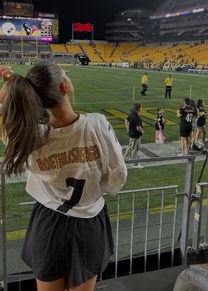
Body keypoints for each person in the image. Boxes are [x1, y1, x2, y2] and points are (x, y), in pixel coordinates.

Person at [0, 62, 127, 291]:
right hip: (90, 220)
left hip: (48, 222)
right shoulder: (97, 124)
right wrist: (96, 191)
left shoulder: (28, 136)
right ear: (64, 86)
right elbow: (117, 178)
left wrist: (7, 90)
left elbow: (3, 117)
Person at [124, 102, 144, 168]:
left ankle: (125, 160)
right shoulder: (136, 116)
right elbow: (138, 128)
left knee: (130, 147)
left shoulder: (132, 114)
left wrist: (128, 129)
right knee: (135, 150)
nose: (142, 108)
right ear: (138, 108)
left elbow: (126, 120)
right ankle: (135, 164)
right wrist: (142, 132)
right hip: (136, 136)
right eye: (141, 107)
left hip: (132, 134)